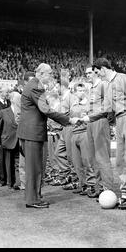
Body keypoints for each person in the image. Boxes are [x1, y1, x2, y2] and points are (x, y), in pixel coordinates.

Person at [82, 58, 126, 210]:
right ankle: (125, 193)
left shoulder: (124, 78)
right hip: (119, 119)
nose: (97, 75)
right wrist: (88, 117)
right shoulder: (108, 85)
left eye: (97, 72)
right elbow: (106, 109)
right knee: (120, 160)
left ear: (103, 69)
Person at [17, 63, 78, 209]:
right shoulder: (36, 87)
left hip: (30, 132)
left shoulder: (33, 85)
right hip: (33, 133)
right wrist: (68, 119)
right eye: (50, 74)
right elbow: (46, 110)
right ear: (41, 73)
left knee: (35, 166)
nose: (52, 76)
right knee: (35, 167)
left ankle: (34, 196)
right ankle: (33, 199)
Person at [85, 65, 114, 198]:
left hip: (100, 121)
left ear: (96, 73)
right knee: (93, 157)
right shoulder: (90, 89)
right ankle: (99, 187)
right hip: (90, 123)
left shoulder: (103, 85)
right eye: (86, 74)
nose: (88, 75)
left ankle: (107, 189)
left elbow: (107, 107)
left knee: (102, 157)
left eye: (90, 73)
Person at [68, 83, 96, 195]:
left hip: (85, 133)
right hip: (74, 133)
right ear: (74, 92)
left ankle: (92, 185)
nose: (81, 92)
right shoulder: (73, 104)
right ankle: (83, 184)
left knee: (87, 160)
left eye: (83, 90)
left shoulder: (89, 104)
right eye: (79, 90)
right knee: (77, 162)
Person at [0, 91, 22, 190]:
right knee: (9, 163)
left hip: (20, 140)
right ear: (12, 100)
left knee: (20, 163)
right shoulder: (3, 112)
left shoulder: (24, 111)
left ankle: (19, 182)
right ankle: (10, 182)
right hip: (8, 141)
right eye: (18, 98)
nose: (20, 100)